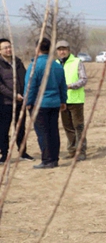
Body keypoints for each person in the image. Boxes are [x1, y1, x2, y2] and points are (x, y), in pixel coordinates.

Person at [25, 38, 67, 169]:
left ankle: (47, 160)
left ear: (37, 49)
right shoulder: (57, 65)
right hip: (54, 103)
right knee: (53, 131)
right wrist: (63, 100)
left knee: (43, 133)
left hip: (39, 105)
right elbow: (62, 85)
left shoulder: (35, 66)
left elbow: (30, 87)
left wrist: (27, 102)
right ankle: (54, 159)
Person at [0, 38, 35, 163]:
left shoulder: (18, 62)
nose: (8, 49)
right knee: (4, 129)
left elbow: (25, 79)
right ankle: (4, 154)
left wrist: (25, 94)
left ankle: (22, 152)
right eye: (5, 48)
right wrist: (13, 95)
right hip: (5, 103)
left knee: (20, 128)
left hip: (20, 102)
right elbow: (1, 86)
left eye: (10, 47)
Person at [55, 40, 87, 161]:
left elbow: (83, 79)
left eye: (64, 49)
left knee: (78, 126)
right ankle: (72, 150)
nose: (62, 52)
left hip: (76, 100)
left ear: (68, 50)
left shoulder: (77, 62)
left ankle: (81, 151)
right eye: (59, 49)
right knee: (67, 126)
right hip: (62, 101)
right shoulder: (56, 63)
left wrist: (70, 86)